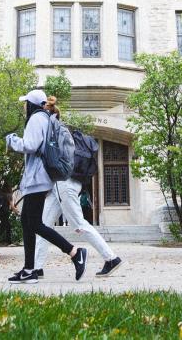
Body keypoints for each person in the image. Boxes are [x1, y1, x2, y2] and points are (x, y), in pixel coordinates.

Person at [5, 89, 87, 284]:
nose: (24, 106)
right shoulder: (47, 118)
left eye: (26, 103)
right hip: (42, 177)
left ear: (32, 104)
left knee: (34, 223)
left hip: (37, 178)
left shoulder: (36, 119)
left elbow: (31, 145)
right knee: (27, 222)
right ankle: (29, 269)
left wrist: (12, 140)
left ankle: (75, 253)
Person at [33, 107, 123, 278]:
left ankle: (111, 258)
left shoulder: (55, 131)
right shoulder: (61, 131)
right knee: (43, 225)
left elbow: (53, 160)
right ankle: (37, 268)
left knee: (79, 224)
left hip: (64, 184)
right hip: (62, 185)